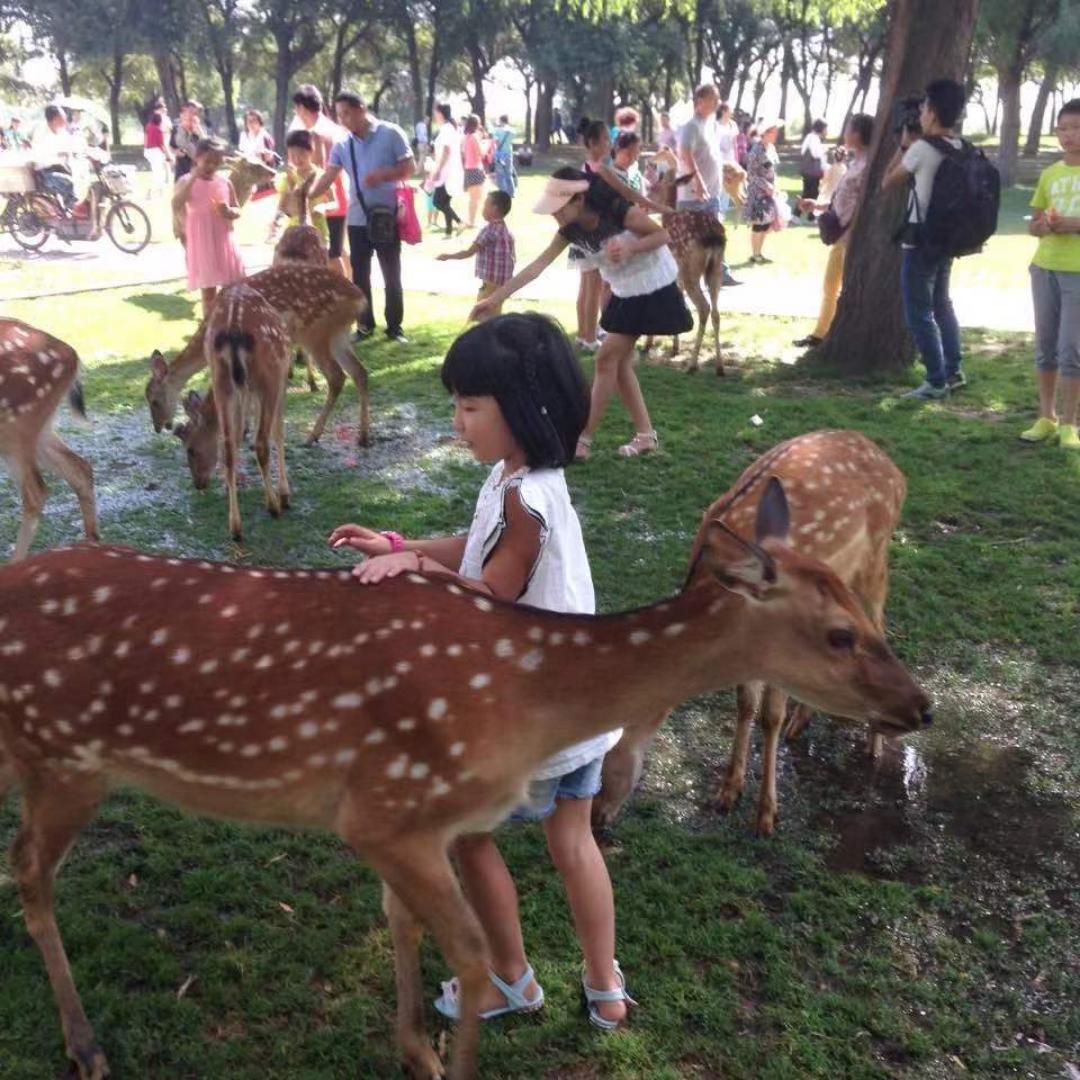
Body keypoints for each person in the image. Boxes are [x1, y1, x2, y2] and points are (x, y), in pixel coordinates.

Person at [328, 313, 633, 1031]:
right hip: (582, 707)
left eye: (470, 407)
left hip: (535, 723)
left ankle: (510, 979)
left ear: (523, 409)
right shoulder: (527, 480)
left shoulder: (523, 498)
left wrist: (409, 571)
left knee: (467, 837)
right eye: (456, 405)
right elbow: (478, 548)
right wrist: (405, 543)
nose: (457, 422)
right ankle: (604, 985)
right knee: (574, 841)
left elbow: (491, 591)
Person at [473, 169, 692, 460]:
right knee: (620, 363)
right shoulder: (570, 230)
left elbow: (663, 235)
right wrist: (494, 298)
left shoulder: (619, 212)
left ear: (578, 199)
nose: (555, 216)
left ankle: (583, 440)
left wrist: (631, 246)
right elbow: (537, 266)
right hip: (625, 289)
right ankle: (645, 436)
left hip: (652, 284)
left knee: (605, 359)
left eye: (558, 209)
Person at [882, 78, 968, 399]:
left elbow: (886, 183)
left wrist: (904, 145)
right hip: (947, 240)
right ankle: (953, 369)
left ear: (931, 112)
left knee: (918, 311)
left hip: (920, 241)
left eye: (923, 109)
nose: (920, 114)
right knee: (942, 305)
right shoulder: (962, 147)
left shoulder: (921, 149)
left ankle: (934, 380)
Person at [307, 92, 413, 344]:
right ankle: (364, 325)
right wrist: (308, 195)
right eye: (340, 114)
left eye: (347, 113)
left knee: (391, 273)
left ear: (362, 108)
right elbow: (329, 174)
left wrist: (383, 175)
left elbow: (409, 168)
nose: (343, 119)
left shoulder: (391, 133)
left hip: (386, 217)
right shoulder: (343, 144)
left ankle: (395, 327)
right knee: (360, 275)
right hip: (357, 219)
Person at [1019, 98, 1080, 448]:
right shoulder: (1050, 174)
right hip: (1045, 269)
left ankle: (1071, 424)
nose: (1069, 135)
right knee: (1045, 346)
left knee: (1071, 348)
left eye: (1075, 128)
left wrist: (1072, 224)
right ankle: (1046, 417)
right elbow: (1035, 224)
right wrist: (1044, 226)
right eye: (1063, 128)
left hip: (1076, 273)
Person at [793, 114, 873, 349]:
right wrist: (815, 206)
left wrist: (853, 231)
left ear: (858, 134)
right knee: (830, 285)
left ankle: (825, 334)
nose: (845, 132)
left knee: (836, 286)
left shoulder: (866, 167)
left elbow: (862, 205)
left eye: (848, 128)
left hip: (849, 238)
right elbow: (842, 201)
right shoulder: (855, 165)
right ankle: (822, 333)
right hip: (841, 235)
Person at [172, 137, 245, 319]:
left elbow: (237, 209)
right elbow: (176, 204)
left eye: (216, 162)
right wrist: (193, 178)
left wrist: (229, 211)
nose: (211, 166)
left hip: (222, 240)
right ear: (197, 158)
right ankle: (209, 328)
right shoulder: (185, 181)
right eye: (207, 161)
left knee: (232, 287)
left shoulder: (224, 183)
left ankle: (230, 324)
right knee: (208, 291)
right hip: (201, 242)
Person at [679, 84, 741, 286]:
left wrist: (726, 173)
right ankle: (681, 282)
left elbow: (712, 156)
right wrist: (698, 182)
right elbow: (686, 155)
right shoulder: (691, 126)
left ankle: (719, 274)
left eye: (718, 98)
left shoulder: (711, 124)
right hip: (693, 196)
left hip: (712, 194)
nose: (717, 102)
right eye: (713, 98)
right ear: (699, 101)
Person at [291, 84, 350, 278]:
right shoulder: (331, 127)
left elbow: (318, 169)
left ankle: (344, 290)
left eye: (296, 108)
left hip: (326, 195)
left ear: (301, 107)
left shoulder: (317, 133)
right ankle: (352, 284)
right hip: (338, 193)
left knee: (331, 250)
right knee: (338, 246)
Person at [436, 190, 515, 318]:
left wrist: (448, 256)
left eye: (485, 205)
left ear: (494, 209)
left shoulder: (489, 231)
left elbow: (469, 252)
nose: (482, 209)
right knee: (494, 315)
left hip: (490, 285)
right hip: (502, 285)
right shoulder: (507, 232)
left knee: (480, 316)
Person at [267, 129, 333, 245]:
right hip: (294, 231)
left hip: (318, 230)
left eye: (302, 154)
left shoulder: (320, 176)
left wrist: (323, 207)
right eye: (292, 155)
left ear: (311, 151)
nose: (297, 159)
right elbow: (282, 206)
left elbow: (334, 202)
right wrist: (275, 223)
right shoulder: (287, 177)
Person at [743, 118, 784, 264]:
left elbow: (775, 170)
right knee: (758, 223)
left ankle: (759, 253)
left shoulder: (771, 148)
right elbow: (751, 174)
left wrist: (774, 186)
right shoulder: (756, 150)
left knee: (766, 223)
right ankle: (755, 254)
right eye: (773, 132)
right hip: (758, 193)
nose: (776, 134)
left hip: (770, 194)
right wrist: (766, 186)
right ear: (765, 133)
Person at [30, 105, 76, 208]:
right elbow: (39, 156)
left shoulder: (61, 132)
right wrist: (58, 154)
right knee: (69, 183)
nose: (65, 121)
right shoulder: (41, 133)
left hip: (59, 168)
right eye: (62, 118)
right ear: (54, 119)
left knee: (80, 180)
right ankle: (70, 213)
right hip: (45, 171)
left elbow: (72, 144)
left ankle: (69, 210)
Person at [431, 103, 465, 237]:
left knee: (438, 202)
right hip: (451, 169)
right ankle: (449, 231)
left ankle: (459, 221)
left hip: (446, 171)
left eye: (435, 112)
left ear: (440, 113)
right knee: (445, 202)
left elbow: (446, 150)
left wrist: (438, 169)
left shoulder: (446, 129)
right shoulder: (451, 128)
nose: (434, 115)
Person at [795, 119, 828, 222]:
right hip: (812, 171)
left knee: (810, 193)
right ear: (821, 128)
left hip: (809, 171)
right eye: (825, 129)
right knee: (811, 193)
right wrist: (824, 149)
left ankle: (808, 216)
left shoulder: (810, 137)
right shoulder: (813, 138)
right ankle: (799, 215)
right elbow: (816, 154)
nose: (826, 131)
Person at [462, 114, 487, 227]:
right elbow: (480, 153)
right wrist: (486, 145)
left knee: (473, 198)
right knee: (477, 198)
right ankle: (472, 221)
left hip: (468, 169)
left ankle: (471, 220)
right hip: (476, 169)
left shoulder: (466, 137)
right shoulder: (474, 137)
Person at [143, 109, 173, 200]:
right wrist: (169, 156)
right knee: (157, 174)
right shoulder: (159, 130)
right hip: (156, 152)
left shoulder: (148, 126)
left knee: (158, 172)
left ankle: (160, 192)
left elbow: (145, 139)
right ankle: (150, 192)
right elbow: (162, 144)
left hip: (148, 151)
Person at [172, 100, 204, 181]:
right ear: (183, 113)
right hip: (182, 169)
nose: (193, 116)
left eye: (195, 113)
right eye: (190, 112)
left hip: (197, 169)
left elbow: (206, 145)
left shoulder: (198, 129)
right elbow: (171, 145)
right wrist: (175, 151)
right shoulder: (177, 128)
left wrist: (199, 132)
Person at [490, 114, 516, 197]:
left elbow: (496, 141)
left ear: (501, 120)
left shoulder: (497, 130)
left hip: (500, 152)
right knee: (509, 173)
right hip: (509, 152)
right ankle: (512, 192)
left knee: (500, 173)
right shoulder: (512, 130)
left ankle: (503, 192)